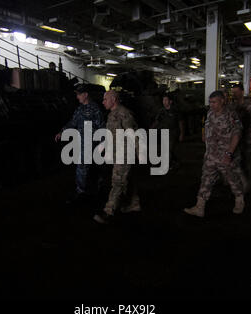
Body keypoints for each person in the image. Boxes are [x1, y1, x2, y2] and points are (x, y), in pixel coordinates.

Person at [184, 90, 244, 218]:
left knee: (232, 179)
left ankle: (239, 200)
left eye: (214, 102)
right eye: (210, 102)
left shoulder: (231, 115)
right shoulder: (210, 113)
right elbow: (206, 126)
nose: (212, 105)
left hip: (225, 155)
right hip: (211, 154)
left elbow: (237, 134)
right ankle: (200, 207)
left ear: (222, 101)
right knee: (206, 180)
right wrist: (204, 136)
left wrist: (229, 154)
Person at [93, 90, 141, 224]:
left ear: (113, 99)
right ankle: (134, 204)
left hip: (125, 154)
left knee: (118, 182)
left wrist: (139, 153)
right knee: (127, 180)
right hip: (117, 153)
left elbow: (133, 134)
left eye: (105, 99)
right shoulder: (112, 114)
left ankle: (108, 211)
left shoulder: (123, 113)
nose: (103, 102)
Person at [55, 84, 105, 203]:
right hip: (83, 142)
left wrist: (102, 144)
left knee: (89, 167)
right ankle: (84, 191)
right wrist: (62, 131)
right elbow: (73, 122)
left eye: (79, 94)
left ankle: (90, 191)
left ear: (85, 94)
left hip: (93, 143)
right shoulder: (80, 109)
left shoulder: (95, 109)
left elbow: (101, 126)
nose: (77, 97)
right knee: (83, 167)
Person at [229, 84, 251, 191]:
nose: (234, 94)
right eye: (233, 92)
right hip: (234, 138)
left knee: (244, 160)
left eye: (236, 92)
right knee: (233, 159)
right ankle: (237, 181)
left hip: (247, 137)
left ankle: (245, 183)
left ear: (242, 92)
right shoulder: (232, 105)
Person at [151, 93, 185, 170]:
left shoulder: (175, 110)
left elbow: (181, 122)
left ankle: (167, 165)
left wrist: (182, 134)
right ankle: (175, 161)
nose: (164, 102)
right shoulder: (161, 111)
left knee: (168, 149)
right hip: (164, 132)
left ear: (170, 101)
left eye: (166, 100)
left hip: (173, 133)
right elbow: (157, 121)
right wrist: (151, 128)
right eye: (163, 100)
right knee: (166, 149)